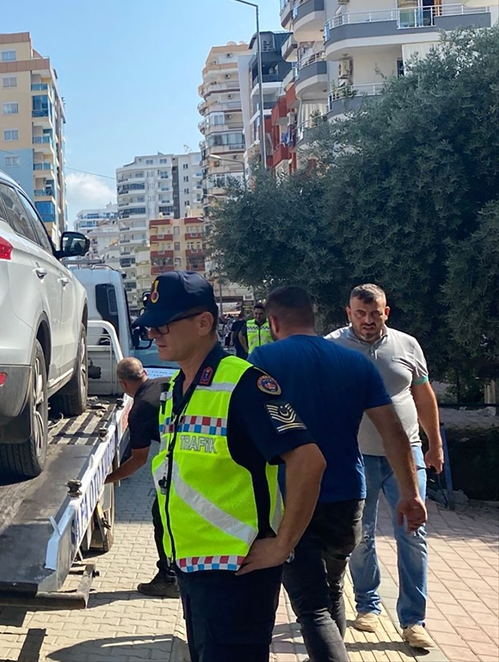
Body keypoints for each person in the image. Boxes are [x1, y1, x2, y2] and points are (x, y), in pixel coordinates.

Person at [134, 271, 326, 662]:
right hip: (194, 568)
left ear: (204, 322)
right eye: (149, 327)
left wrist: (283, 545)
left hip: (237, 574)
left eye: (163, 325)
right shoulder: (176, 389)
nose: (154, 335)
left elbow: (309, 460)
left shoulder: (244, 383)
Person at [249, 286, 427, 662]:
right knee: (330, 591)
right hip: (349, 498)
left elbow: (252, 428)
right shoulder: (355, 363)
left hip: (294, 499)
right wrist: (411, 494)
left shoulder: (264, 358)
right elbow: (394, 432)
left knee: (311, 608)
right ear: (314, 318)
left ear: (274, 322)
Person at [327, 284, 443, 650]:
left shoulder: (407, 345)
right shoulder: (333, 346)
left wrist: (435, 444)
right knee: (360, 536)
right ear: (349, 313)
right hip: (356, 456)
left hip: (406, 456)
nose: (367, 321)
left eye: (374, 313)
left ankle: (413, 620)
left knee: (414, 534)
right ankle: (368, 605)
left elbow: (423, 396)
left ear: (386, 312)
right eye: (360, 314)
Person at [105, 357, 175, 598]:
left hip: (179, 467)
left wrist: (108, 478)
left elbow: (138, 460)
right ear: (144, 372)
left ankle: (169, 578)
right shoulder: (166, 382)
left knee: (162, 517)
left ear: (123, 384)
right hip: (200, 454)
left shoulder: (140, 409)